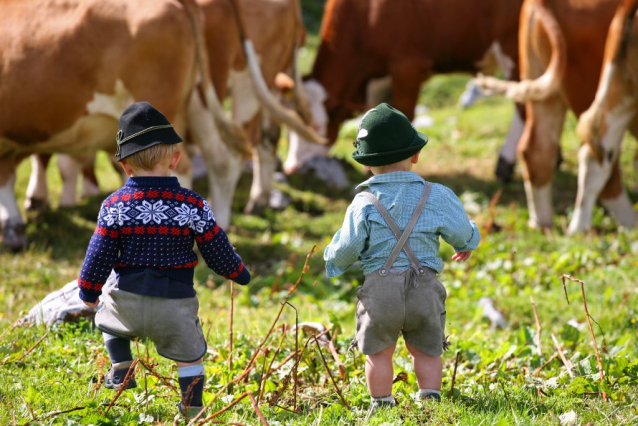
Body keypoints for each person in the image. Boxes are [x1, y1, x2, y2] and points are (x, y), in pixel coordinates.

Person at [77, 102, 251, 418]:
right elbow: (217, 251)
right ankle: (191, 407)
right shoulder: (194, 204)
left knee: (107, 315)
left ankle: (121, 366)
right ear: (175, 159)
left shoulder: (114, 205)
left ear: (125, 167)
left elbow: (98, 255)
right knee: (190, 357)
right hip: (175, 306)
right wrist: (239, 273)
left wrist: (88, 292)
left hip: (126, 303)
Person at [324, 103, 480, 412]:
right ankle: (430, 399)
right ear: (416, 154)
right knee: (427, 350)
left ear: (367, 164)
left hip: (380, 294)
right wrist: (467, 241)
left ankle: (381, 403)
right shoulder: (436, 194)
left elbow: (347, 248)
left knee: (378, 353)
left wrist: (333, 261)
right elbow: (461, 230)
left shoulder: (363, 202)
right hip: (425, 288)